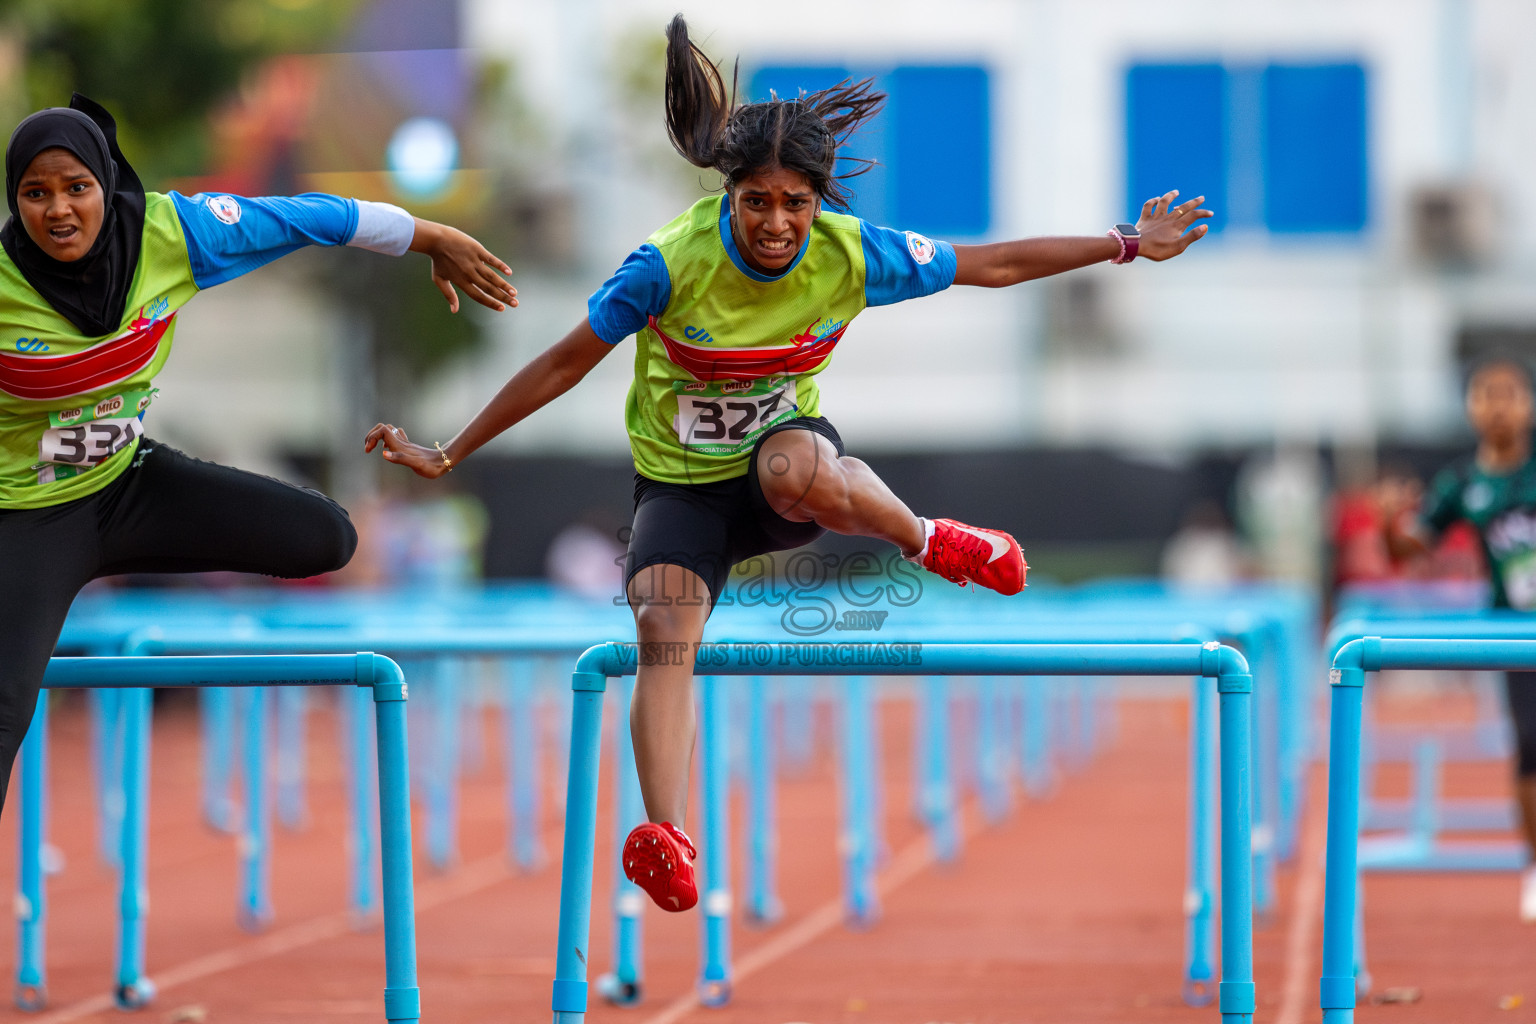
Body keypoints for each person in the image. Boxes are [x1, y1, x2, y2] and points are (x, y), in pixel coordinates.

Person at [366, 15, 1211, 913]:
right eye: (756, 202)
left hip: (786, 468)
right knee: (659, 625)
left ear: (819, 202)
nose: (776, 224)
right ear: (728, 197)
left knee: (787, 465)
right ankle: (667, 833)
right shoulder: (668, 266)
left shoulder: (853, 254)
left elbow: (994, 264)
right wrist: (454, 447)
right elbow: (566, 361)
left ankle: (926, 539)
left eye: (795, 205)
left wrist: (1124, 244)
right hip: (682, 488)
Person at [0, 94, 516, 814]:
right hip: (29, 520)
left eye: (76, 187)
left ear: (106, 184)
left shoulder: (171, 233)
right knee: (6, 711)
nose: (58, 211)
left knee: (328, 538)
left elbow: (311, 217)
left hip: (127, 490)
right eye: (35, 193)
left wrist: (427, 236)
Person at [1381, 354, 1536, 920]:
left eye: (1511, 394)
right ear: (1471, 407)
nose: (1499, 406)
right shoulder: (1462, 482)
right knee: (1531, 748)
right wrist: (1387, 524)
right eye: (1487, 394)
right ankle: (1534, 865)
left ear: (1528, 405)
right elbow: (1407, 550)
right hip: (1514, 633)